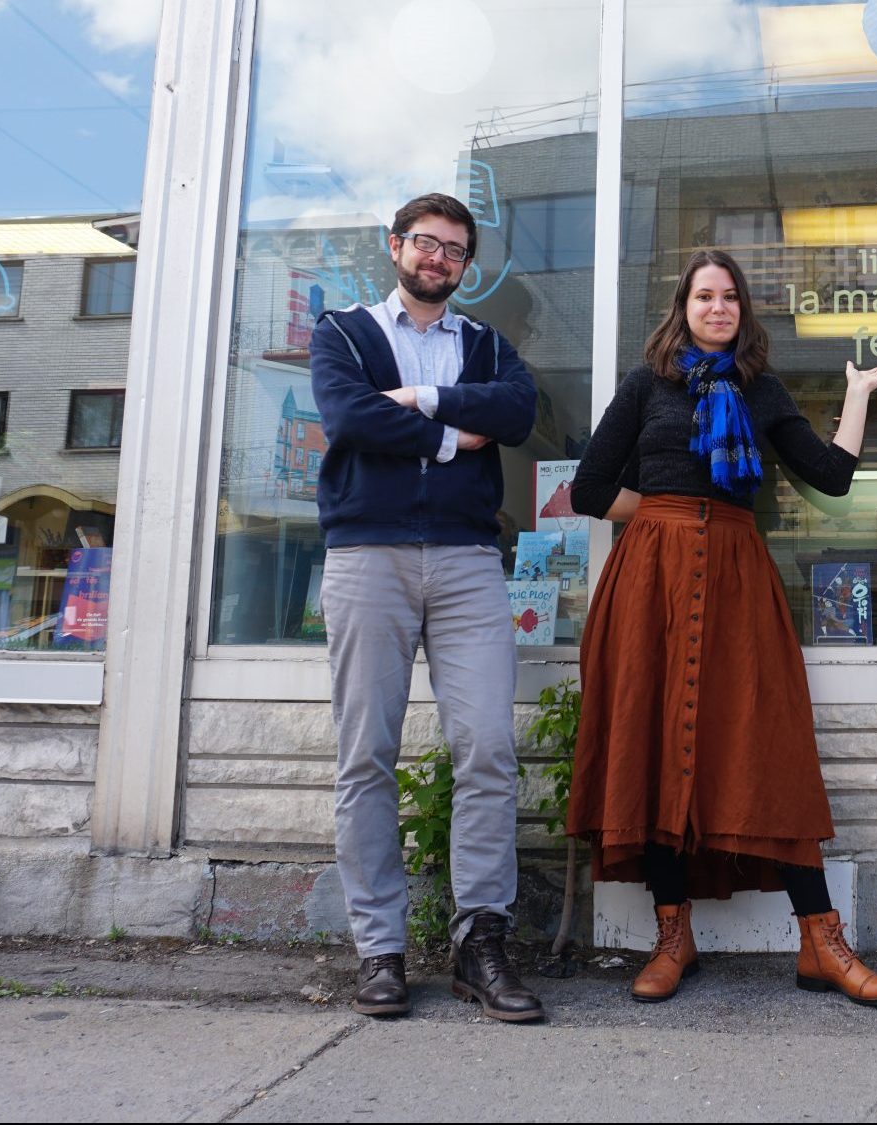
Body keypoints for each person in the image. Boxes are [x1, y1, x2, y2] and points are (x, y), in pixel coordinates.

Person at [567, 249, 877, 1007]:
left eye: (729, 297)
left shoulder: (762, 388)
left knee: (767, 745)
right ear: (683, 306)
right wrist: (665, 518)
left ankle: (821, 940)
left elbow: (831, 477)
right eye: (704, 296)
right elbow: (589, 488)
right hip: (650, 582)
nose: (717, 307)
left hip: (736, 580)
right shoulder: (646, 384)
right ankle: (672, 937)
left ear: (743, 310)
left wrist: (856, 396)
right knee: (654, 743)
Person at [308, 192, 541, 1022]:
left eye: (454, 249)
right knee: (365, 756)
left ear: (466, 265)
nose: (437, 258)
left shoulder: (486, 344)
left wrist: (420, 400)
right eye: (425, 242)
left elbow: (517, 411)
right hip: (367, 555)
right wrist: (450, 434)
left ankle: (480, 943)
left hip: (468, 559)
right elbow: (349, 415)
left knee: (488, 749)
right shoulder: (344, 332)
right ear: (396, 245)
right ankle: (380, 948)